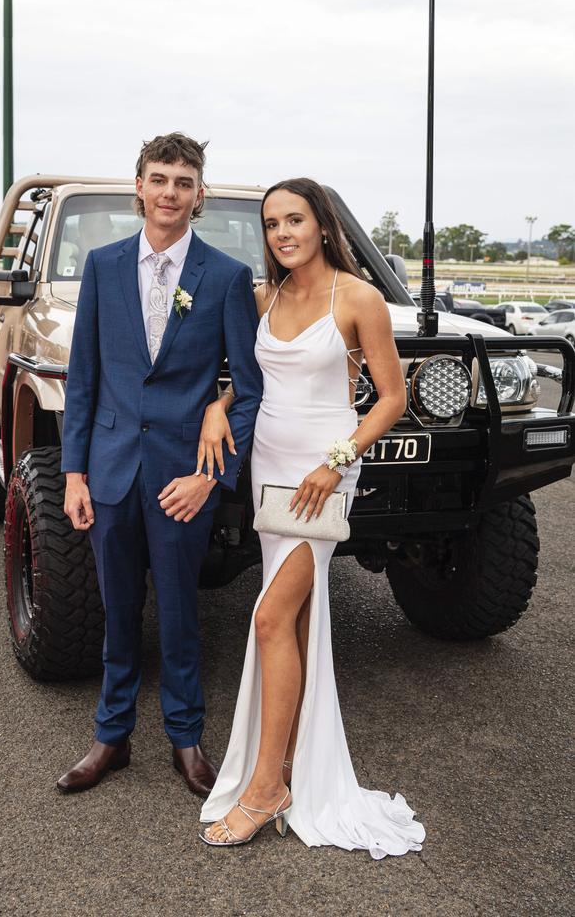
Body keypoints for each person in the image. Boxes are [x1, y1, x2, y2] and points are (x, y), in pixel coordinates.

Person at [199, 178, 426, 857]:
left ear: (322, 225)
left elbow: (390, 398)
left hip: (324, 471)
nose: (282, 234)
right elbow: (254, 376)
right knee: (289, 621)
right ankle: (288, 764)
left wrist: (337, 460)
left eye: (294, 220)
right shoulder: (264, 298)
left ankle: (268, 786)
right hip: (269, 465)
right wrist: (219, 404)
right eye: (271, 224)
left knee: (269, 616)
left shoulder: (358, 299)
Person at [58, 133, 263, 796]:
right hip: (111, 470)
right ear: (138, 188)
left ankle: (187, 739)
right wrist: (74, 474)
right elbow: (83, 377)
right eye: (159, 178)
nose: (170, 191)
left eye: (183, 180)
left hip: (183, 479)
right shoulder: (102, 265)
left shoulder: (227, 277)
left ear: (199, 193)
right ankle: (110, 737)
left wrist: (211, 477)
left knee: (178, 615)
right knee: (119, 614)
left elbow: (249, 390)